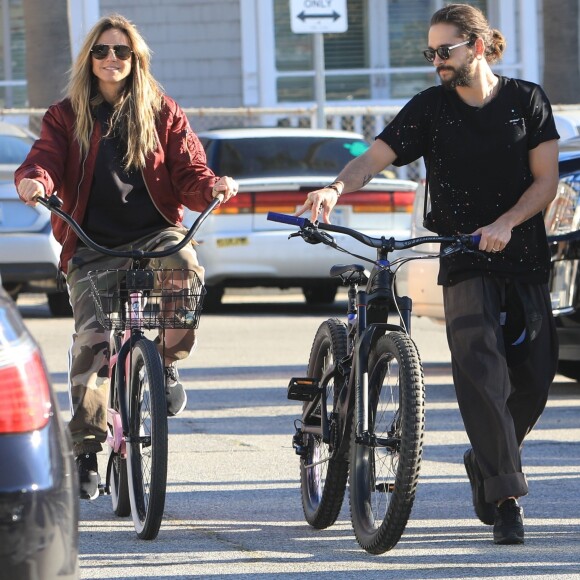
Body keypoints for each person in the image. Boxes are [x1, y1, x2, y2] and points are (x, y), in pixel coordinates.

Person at [296, 3, 559, 545]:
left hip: (524, 253)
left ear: (478, 47)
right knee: (480, 368)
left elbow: (546, 181)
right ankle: (507, 500)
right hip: (462, 256)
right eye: (430, 52)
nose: (436, 61)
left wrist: (507, 222)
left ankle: (486, 460)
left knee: (535, 378)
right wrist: (335, 187)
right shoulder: (429, 109)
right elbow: (374, 158)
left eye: (446, 51)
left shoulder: (527, 101)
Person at [15, 14, 238, 501]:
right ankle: (87, 450)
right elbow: (45, 159)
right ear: (89, 59)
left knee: (186, 272)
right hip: (91, 244)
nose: (111, 59)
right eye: (101, 51)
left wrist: (212, 187)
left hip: (155, 233)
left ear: (136, 60)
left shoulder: (162, 111)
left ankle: (166, 363)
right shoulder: (65, 115)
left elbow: (190, 169)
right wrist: (35, 181)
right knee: (93, 342)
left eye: (121, 51)